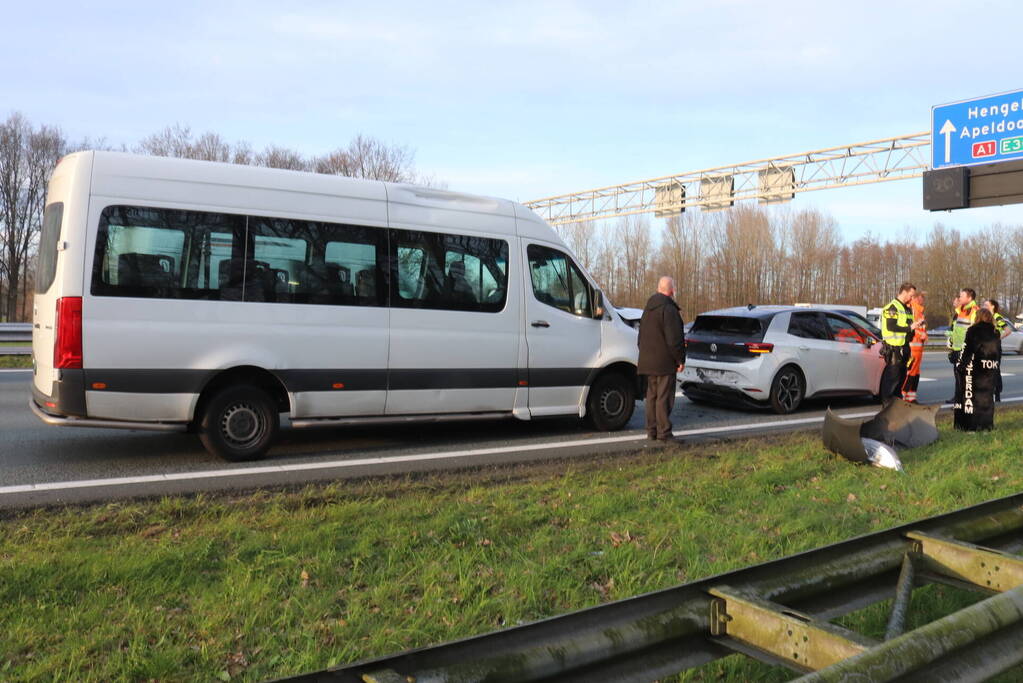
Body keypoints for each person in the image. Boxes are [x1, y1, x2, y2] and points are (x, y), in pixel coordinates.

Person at [638, 276, 686, 442]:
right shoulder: (669, 309)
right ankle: (664, 432)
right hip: (664, 362)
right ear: (671, 291)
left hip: (646, 360)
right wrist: (680, 360)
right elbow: (675, 340)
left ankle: (651, 431)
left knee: (651, 397)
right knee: (664, 397)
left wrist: (644, 354)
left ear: (659, 288)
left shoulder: (647, 309)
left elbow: (640, 337)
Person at [955, 308, 1000, 431]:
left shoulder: (973, 330)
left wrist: (961, 366)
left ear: (978, 317)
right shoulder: (995, 331)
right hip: (992, 368)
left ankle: (974, 426)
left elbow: (969, 350)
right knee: (988, 398)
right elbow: (998, 353)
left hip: (978, 368)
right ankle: (987, 426)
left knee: (975, 397)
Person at [879, 283, 924, 400]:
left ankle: (897, 407)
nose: (912, 298)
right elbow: (891, 327)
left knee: (900, 381)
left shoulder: (907, 309)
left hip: (904, 348)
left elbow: (909, 328)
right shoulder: (892, 307)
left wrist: (915, 328)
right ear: (904, 292)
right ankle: (888, 409)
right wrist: (910, 328)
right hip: (894, 349)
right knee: (892, 381)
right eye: (911, 295)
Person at [948, 288, 979, 404]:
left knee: (965, 377)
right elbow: (956, 329)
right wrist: (951, 343)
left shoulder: (974, 311)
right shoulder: (961, 310)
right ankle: (958, 397)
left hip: (966, 350)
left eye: (962, 296)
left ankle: (963, 401)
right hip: (957, 348)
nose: (959, 298)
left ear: (969, 298)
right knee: (958, 376)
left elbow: (975, 332)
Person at [983, 299, 1012, 402]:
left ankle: (997, 393)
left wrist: (998, 338)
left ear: (992, 307)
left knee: (995, 369)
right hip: (985, 347)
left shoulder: (996, 317)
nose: (984, 306)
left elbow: (1008, 330)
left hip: (994, 347)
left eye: (986, 304)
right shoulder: (985, 317)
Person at [901, 290, 927, 403]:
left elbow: (921, 328)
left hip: (918, 348)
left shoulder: (920, 311)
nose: (923, 300)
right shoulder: (912, 310)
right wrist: (922, 335)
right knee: (910, 372)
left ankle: (911, 397)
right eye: (922, 298)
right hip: (913, 347)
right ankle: (903, 396)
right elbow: (911, 328)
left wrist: (924, 335)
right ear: (916, 298)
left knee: (915, 373)